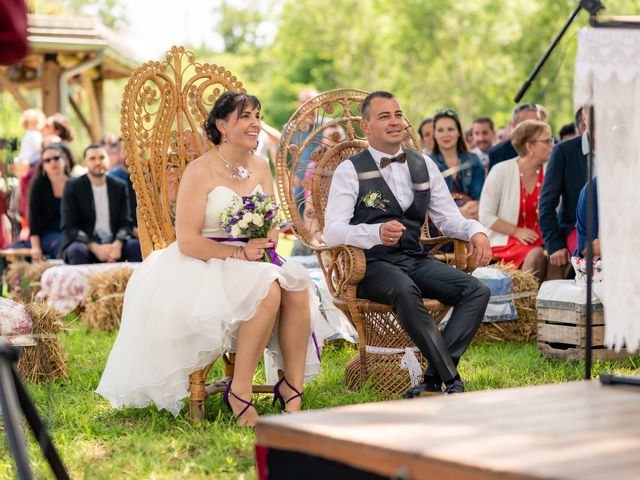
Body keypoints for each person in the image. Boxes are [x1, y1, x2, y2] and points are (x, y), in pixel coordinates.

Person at [97, 92, 323, 427]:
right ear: (222, 125)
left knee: (298, 288)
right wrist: (237, 252)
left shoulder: (261, 165)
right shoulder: (199, 171)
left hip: (254, 258)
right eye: (245, 116)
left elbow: (272, 221)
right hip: (204, 262)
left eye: (257, 115)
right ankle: (240, 391)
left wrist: (265, 245)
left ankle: (292, 389)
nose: (256, 123)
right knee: (269, 290)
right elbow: (187, 240)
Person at [324, 91, 491, 397]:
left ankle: (431, 380)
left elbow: (449, 219)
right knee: (403, 288)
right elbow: (332, 231)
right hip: (371, 265)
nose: (394, 122)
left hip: (414, 258)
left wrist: (476, 231)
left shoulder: (423, 164)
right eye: (384, 116)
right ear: (366, 126)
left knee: (476, 291)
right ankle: (452, 381)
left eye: (398, 114)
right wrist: (373, 234)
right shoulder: (350, 170)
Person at [479, 121, 553, 283]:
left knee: (557, 254)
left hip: (544, 238)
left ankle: (552, 305)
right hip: (507, 239)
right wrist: (516, 231)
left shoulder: (550, 169)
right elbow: (485, 215)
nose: (552, 145)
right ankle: (527, 304)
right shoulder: (501, 170)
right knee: (537, 255)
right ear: (530, 146)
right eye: (547, 141)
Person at [60, 144, 141, 264]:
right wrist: (95, 247)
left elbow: (126, 222)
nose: (98, 162)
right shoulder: (73, 186)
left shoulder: (119, 186)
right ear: (85, 163)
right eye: (92, 159)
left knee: (135, 247)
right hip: (86, 244)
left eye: (102, 158)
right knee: (76, 251)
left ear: (108, 160)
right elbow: (69, 226)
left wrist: (118, 244)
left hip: (113, 244)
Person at [539, 107, 591, 273]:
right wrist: (554, 244)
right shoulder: (564, 151)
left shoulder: (623, 147)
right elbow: (547, 203)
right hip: (577, 229)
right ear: (585, 116)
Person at [430, 109, 485, 220]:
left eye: (450, 129)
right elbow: (428, 203)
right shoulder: (427, 162)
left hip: (473, 218)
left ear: (459, 132)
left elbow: (479, 198)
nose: (446, 134)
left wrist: (470, 212)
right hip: (439, 224)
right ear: (434, 134)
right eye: (440, 130)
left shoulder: (473, 160)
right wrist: (458, 213)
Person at [27, 143, 73, 260]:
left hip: (73, 233)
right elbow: (33, 219)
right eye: (47, 160)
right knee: (68, 247)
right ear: (43, 165)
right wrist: (35, 247)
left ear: (65, 159)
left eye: (56, 158)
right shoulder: (39, 186)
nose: (53, 162)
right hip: (49, 234)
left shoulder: (75, 184)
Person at [488, 104, 540, 171]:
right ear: (514, 125)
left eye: (538, 122)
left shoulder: (551, 147)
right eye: (529, 123)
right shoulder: (498, 153)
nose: (536, 127)